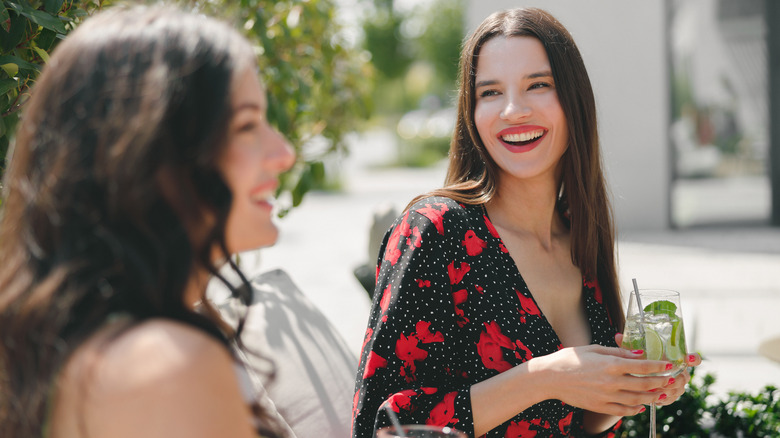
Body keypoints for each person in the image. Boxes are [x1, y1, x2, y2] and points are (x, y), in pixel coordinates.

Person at [352, 7, 701, 438]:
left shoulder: (578, 235)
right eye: (491, 92)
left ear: (574, 101)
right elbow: (377, 424)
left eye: (538, 85)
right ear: (471, 112)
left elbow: (578, 423)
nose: (514, 110)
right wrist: (544, 377)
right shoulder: (435, 232)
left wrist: (628, 391)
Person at [0, 5, 295, 438]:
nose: (284, 153)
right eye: (247, 124)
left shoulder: (66, 345)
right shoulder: (167, 367)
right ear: (146, 154)